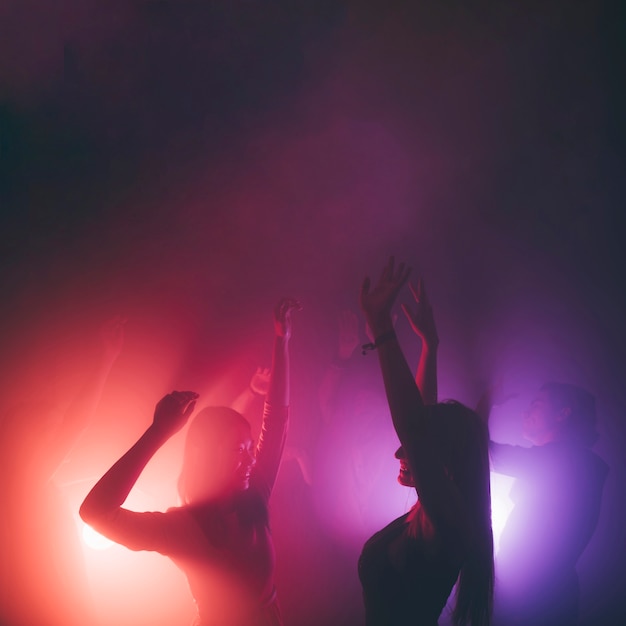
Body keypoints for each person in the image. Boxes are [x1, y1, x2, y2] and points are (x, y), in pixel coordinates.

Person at [79, 298, 300, 626]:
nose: (251, 458)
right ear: (207, 458)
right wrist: (157, 433)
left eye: (250, 447)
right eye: (239, 449)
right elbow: (95, 513)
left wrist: (281, 342)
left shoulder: (255, 496)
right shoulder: (182, 529)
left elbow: (277, 419)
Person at [357, 257, 494, 626]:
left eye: (414, 446)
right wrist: (428, 347)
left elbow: (416, 429)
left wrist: (383, 329)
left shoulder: (450, 522)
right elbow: (422, 424)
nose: (400, 450)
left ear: (443, 463)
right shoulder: (441, 509)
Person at [0, 315, 125, 626]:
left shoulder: (32, 487)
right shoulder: (20, 485)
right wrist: (106, 361)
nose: (61, 442)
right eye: (50, 429)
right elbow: (76, 423)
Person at [479, 382, 608, 625]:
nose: (525, 413)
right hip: (547, 594)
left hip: (528, 596)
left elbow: (483, 453)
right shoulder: (578, 462)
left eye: (536, 405)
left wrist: (485, 401)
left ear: (563, 414)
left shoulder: (564, 459)